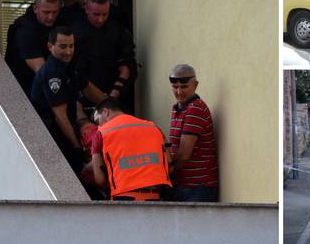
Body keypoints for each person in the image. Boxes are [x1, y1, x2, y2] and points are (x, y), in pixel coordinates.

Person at [30, 26, 107, 173]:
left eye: (71, 46)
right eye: (63, 47)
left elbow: (89, 89)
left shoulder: (70, 66)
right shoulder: (52, 72)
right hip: (53, 137)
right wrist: (76, 147)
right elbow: (60, 116)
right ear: (50, 46)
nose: (68, 51)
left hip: (66, 132)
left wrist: (115, 110)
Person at [88, 97, 172, 201]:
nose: (98, 126)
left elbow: (100, 180)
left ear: (106, 112)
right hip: (155, 196)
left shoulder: (101, 134)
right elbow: (169, 161)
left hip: (124, 198)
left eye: (98, 121)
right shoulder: (153, 127)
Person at [72, 0, 137, 112]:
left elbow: (127, 67)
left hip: (116, 96)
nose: (100, 19)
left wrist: (111, 98)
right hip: (83, 96)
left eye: (105, 14)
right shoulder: (75, 33)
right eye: (96, 14)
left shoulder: (119, 32)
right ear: (87, 9)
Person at [165, 64, 218, 202]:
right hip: (183, 185)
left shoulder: (195, 109)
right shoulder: (176, 108)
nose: (179, 92)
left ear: (195, 85)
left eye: (184, 87)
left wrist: (166, 173)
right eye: (175, 87)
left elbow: (183, 155)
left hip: (198, 188)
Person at [5, 0, 61, 97]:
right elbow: (42, 71)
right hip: (22, 91)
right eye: (46, 12)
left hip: (43, 87)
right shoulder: (25, 30)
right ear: (35, 9)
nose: (51, 17)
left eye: (55, 12)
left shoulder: (59, 22)